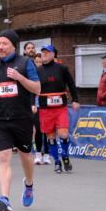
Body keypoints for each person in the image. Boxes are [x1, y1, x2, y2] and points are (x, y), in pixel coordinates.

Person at [0, 29, 41, 211]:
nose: (1, 47)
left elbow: (37, 89)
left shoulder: (25, 62)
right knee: (4, 157)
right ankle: (4, 198)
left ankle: (29, 185)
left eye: (4, 43)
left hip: (22, 118)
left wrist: (19, 78)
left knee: (25, 156)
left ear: (14, 45)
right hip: (1, 119)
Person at [36, 45, 80, 174]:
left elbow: (71, 84)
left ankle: (65, 156)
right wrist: (31, 103)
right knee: (50, 137)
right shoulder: (38, 70)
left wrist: (75, 99)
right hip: (45, 109)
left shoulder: (62, 69)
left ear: (53, 54)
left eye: (47, 52)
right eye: (42, 52)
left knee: (63, 134)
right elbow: (32, 87)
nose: (44, 54)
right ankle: (56, 161)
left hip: (60, 108)